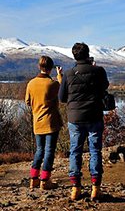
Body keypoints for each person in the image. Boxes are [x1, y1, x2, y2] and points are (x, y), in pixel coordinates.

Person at [59, 42, 109, 201]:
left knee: (75, 151)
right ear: (88, 54)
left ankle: (76, 189)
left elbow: (61, 98)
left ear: (74, 56)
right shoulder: (98, 71)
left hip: (75, 118)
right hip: (94, 116)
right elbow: (104, 88)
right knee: (95, 150)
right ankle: (96, 188)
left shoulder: (68, 74)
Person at [25, 56, 63, 190]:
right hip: (51, 122)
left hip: (37, 122)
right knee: (49, 151)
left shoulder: (31, 83)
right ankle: (45, 180)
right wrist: (60, 76)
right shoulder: (52, 83)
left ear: (39, 67)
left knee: (39, 150)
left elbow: (28, 102)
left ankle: (33, 179)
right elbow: (63, 92)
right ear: (51, 68)